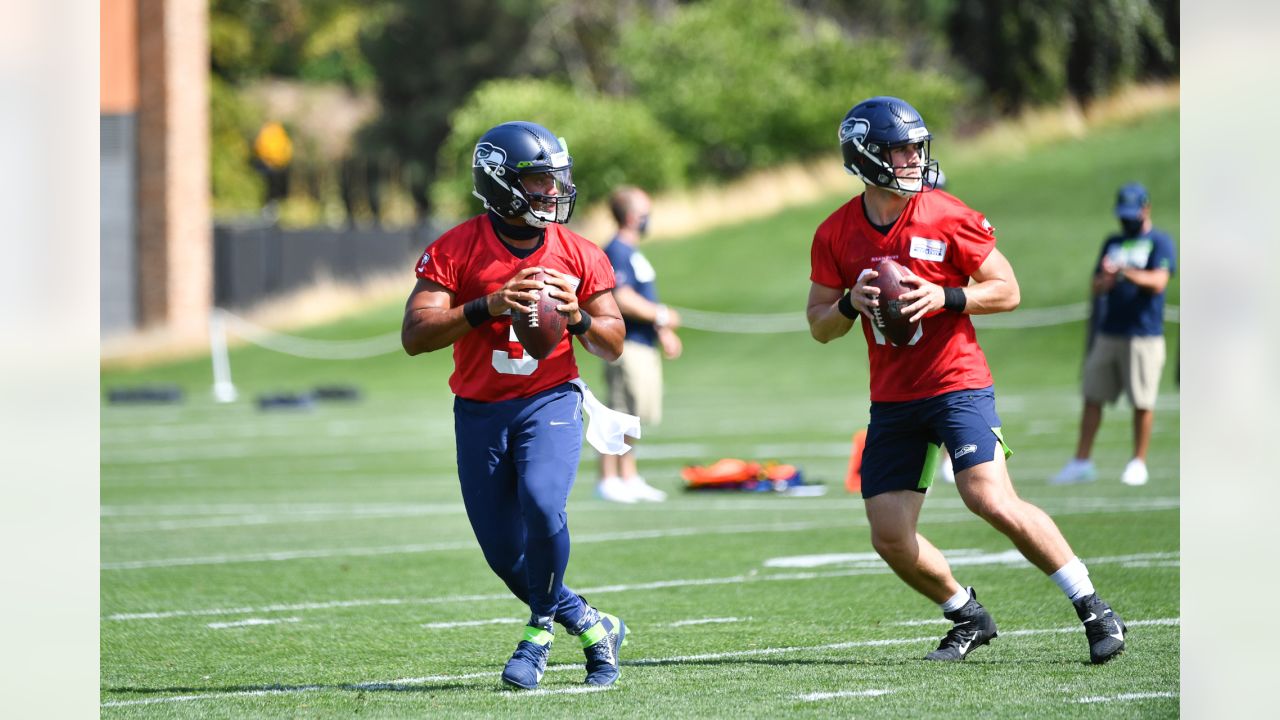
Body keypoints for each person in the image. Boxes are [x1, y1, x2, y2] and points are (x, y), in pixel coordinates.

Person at [805, 96, 1127, 664]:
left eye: (915, 147)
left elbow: (1008, 288)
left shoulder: (945, 213)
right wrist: (851, 305)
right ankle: (966, 613)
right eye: (901, 149)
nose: (913, 158)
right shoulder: (835, 233)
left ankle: (1093, 606)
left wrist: (948, 295)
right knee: (889, 536)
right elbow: (819, 326)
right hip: (894, 398)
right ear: (866, 156)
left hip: (957, 382)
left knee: (988, 497)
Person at [401, 121, 629, 689]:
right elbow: (415, 333)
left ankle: (539, 634)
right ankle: (592, 624)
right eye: (537, 182)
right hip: (479, 410)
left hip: (548, 399)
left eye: (556, 181)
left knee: (541, 503)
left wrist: (575, 317)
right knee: (504, 552)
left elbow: (614, 338)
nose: (552, 193)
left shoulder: (580, 252)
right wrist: (488, 304)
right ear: (501, 184)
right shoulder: (456, 248)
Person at [1051, 183, 1176, 487]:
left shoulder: (1160, 242)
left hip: (1144, 334)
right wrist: (1105, 280)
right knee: (1092, 396)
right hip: (1109, 332)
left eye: (1131, 213)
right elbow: (1096, 285)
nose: (1126, 220)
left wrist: (1124, 272)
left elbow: (1159, 281)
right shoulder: (1113, 241)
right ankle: (1081, 461)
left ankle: (1138, 462)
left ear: (1145, 209)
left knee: (1142, 401)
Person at [597, 186, 683, 503]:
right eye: (646, 212)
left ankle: (629, 476)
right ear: (633, 216)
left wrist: (662, 330)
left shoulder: (632, 252)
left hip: (643, 343)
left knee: (634, 414)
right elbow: (622, 297)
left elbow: (644, 297)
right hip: (625, 343)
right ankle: (609, 479)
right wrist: (662, 315)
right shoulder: (617, 250)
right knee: (619, 410)